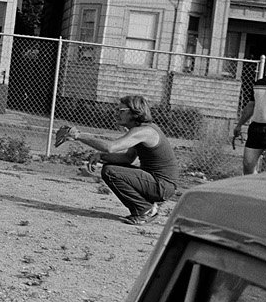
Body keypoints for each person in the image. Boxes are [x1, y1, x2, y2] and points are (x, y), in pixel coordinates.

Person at [55, 94, 178, 225]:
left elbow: (111, 147)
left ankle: (145, 210)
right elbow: (128, 158)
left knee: (110, 171)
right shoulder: (141, 130)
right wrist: (101, 156)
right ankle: (145, 207)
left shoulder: (144, 131)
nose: (116, 114)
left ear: (135, 112)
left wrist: (77, 135)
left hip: (162, 186)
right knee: (110, 169)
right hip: (160, 184)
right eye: (117, 110)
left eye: (121, 111)